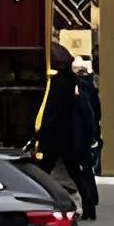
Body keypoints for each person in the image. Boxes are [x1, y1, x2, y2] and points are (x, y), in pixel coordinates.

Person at [33, 42, 79, 193]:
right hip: (65, 131)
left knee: (45, 167)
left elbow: (51, 111)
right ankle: (84, 201)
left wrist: (42, 131)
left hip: (54, 133)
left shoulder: (56, 83)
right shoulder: (70, 81)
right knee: (70, 168)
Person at [68, 54, 102, 222]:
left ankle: (88, 204)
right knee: (87, 172)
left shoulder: (77, 90)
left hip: (78, 138)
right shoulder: (89, 87)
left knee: (79, 173)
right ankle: (91, 204)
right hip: (85, 137)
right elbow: (94, 113)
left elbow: (87, 114)